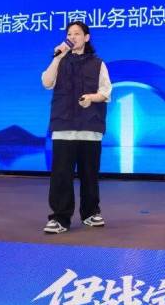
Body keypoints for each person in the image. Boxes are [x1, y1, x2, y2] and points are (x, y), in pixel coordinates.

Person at [40, 21, 112, 234]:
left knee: (89, 174)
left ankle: (90, 213)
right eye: (69, 34)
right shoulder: (60, 60)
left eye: (77, 33)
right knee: (61, 175)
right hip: (64, 127)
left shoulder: (98, 63)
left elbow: (106, 92)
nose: (72, 37)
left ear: (86, 37)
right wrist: (57, 57)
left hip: (90, 127)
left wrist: (91, 98)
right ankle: (60, 218)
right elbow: (46, 82)